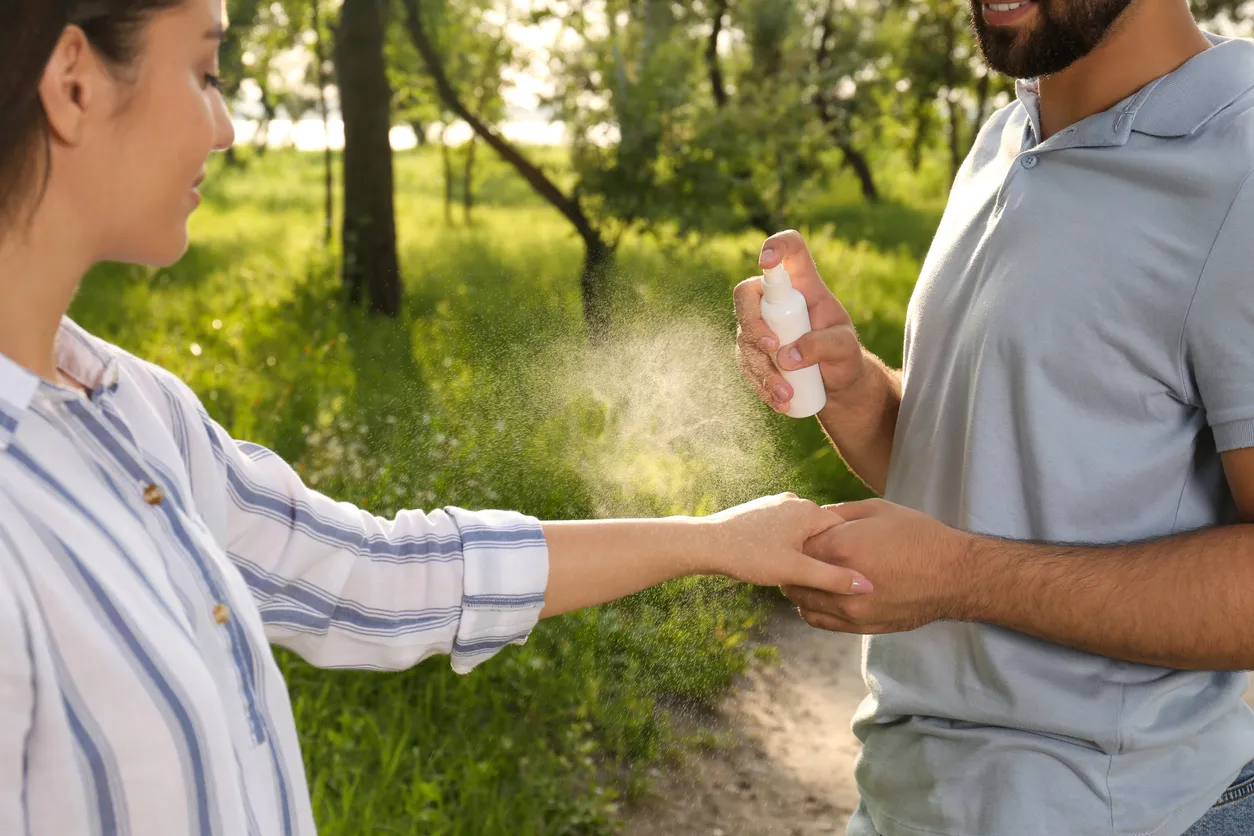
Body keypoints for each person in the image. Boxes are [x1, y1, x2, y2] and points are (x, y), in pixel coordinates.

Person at [0, 1, 874, 833]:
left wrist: (715, 541)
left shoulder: (133, 412)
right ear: (75, 81)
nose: (224, 126)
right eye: (204, 70)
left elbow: (370, 574)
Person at [734, 0, 1254, 833]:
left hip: (1121, 813)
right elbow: (990, 468)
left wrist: (961, 578)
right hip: (905, 797)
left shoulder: (1242, 162)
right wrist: (857, 386)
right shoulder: (1007, 137)